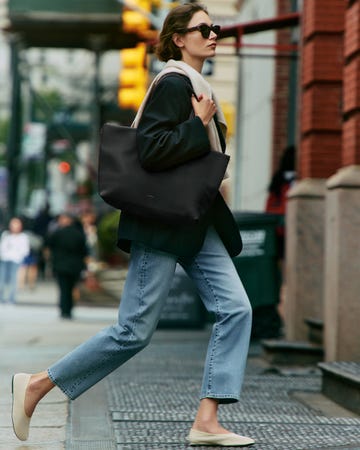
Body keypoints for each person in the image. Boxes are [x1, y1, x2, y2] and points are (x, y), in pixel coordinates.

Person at [11, 4, 254, 447]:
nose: (214, 33)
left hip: (196, 221)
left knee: (236, 309)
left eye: (215, 27)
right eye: (204, 28)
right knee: (133, 331)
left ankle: (207, 418)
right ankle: (38, 385)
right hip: (163, 221)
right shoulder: (174, 84)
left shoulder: (197, 87)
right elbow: (153, 151)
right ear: (178, 38)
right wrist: (198, 126)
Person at [44, 212, 88, 319]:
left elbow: (47, 247)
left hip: (60, 265)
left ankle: (64, 310)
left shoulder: (57, 233)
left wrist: (49, 261)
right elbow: (84, 251)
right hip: (75, 266)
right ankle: (69, 309)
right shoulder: (79, 234)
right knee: (72, 288)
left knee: (63, 288)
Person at [0, 217, 30, 304]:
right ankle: (1, 297)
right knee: (2, 279)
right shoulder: (6, 235)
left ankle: (11, 298)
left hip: (16, 260)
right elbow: (2, 247)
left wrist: (18, 254)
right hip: (5, 259)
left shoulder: (23, 237)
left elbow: (25, 250)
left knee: (14, 279)